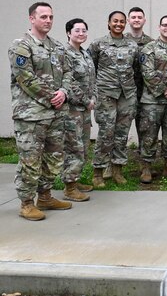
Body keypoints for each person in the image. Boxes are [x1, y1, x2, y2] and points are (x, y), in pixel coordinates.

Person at [8, 2, 72, 221]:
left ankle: (45, 196)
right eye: (43, 17)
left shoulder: (57, 46)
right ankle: (26, 203)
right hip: (31, 115)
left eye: (51, 17)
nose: (48, 21)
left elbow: (68, 72)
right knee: (31, 159)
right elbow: (25, 77)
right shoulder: (21, 46)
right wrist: (51, 97)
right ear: (32, 19)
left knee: (53, 157)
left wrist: (63, 91)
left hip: (55, 113)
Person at [89, 10, 139, 188]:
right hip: (106, 94)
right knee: (105, 133)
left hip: (127, 94)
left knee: (122, 134)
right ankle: (98, 172)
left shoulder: (132, 45)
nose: (118, 24)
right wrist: (93, 93)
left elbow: (135, 68)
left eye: (121, 21)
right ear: (109, 23)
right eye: (115, 21)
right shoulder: (98, 44)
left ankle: (117, 170)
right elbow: (90, 68)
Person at [137, 15, 167, 183]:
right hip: (152, 101)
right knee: (149, 135)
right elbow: (147, 73)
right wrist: (165, 90)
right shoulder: (149, 48)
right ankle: (146, 167)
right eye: (165, 25)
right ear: (159, 27)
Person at [61, 18, 97, 202]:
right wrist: (85, 100)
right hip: (72, 109)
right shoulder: (64, 53)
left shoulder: (85, 53)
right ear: (69, 33)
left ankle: (75, 180)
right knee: (73, 146)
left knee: (82, 146)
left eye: (84, 30)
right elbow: (69, 82)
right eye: (77, 31)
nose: (81, 33)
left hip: (85, 109)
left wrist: (94, 98)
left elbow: (93, 79)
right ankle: (69, 187)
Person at [125, 6, 154, 156]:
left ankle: (145, 165)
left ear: (144, 20)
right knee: (120, 128)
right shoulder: (121, 41)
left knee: (145, 128)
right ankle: (114, 166)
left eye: (139, 17)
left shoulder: (151, 43)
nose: (136, 20)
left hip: (145, 92)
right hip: (125, 92)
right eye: (133, 17)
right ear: (128, 20)